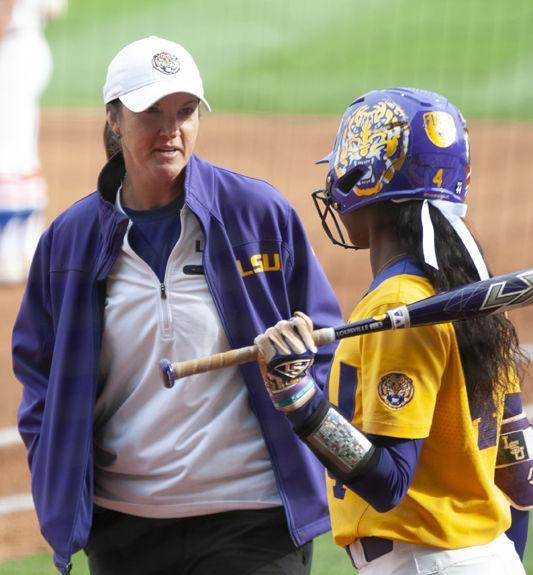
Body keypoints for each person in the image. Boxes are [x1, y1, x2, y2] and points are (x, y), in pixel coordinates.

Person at [12, 35, 342, 575]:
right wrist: (58, 468)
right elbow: (38, 375)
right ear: (115, 119)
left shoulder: (257, 216)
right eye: (152, 113)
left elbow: (327, 339)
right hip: (124, 530)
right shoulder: (69, 242)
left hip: (253, 517)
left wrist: (299, 386)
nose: (171, 130)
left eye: (185, 112)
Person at [254, 87, 533, 574]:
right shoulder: (474, 296)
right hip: (486, 557)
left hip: (425, 563)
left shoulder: (398, 304)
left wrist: (298, 399)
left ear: (362, 179)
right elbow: (519, 471)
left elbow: (388, 482)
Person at [0, 0, 67, 283]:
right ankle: (24, 247)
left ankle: (8, 252)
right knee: (21, 151)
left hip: (12, 49)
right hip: (28, 44)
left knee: (7, 154)